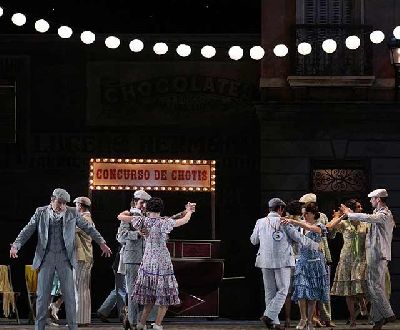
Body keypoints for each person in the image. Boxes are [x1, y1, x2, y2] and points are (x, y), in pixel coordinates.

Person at [9, 188, 112, 330]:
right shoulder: (41, 212)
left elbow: (89, 228)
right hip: (46, 259)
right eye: (59, 202)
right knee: (42, 297)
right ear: (52, 199)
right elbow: (28, 229)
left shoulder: (72, 212)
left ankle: (73, 327)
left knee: (70, 296)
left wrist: (101, 243)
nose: (62, 206)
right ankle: (39, 327)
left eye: (64, 203)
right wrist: (16, 245)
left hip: (65, 259)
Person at [119, 197, 193, 330]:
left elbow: (120, 216)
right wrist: (189, 211)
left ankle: (141, 323)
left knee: (150, 295)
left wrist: (129, 212)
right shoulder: (164, 222)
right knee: (164, 295)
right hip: (162, 261)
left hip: (148, 261)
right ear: (161, 209)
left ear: (147, 208)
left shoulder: (143, 221)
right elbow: (184, 220)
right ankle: (157, 324)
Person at [250, 198, 322, 330]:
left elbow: (253, 241)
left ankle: (274, 323)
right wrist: (315, 245)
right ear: (280, 209)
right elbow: (299, 238)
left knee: (270, 292)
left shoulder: (260, 222)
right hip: (282, 261)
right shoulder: (285, 222)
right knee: (283, 290)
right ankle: (269, 315)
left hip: (264, 261)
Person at [281, 202, 343, 330]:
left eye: (306, 213)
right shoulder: (300, 226)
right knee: (301, 291)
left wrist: (296, 222)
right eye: (302, 213)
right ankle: (303, 318)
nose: (303, 216)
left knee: (313, 293)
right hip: (303, 262)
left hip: (316, 263)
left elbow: (314, 229)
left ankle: (310, 320)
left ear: (313, 214)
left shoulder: (318, 225)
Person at [340, 188, 396, 330]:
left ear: (378, 199)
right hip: (376, 254)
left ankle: (388, 313)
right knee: (378, 287)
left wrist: (350, 214)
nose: (370, 201)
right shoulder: (379, 213)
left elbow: (368, 218)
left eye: (372, 199)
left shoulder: (384, 214)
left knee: (374, 286)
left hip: (378, 254)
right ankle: (378, 319)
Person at [299, 193, 335, 328]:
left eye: (305, 204)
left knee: (323, 287)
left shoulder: (322, 217)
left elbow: (330, 234)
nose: (303, 207)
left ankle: (326, 317)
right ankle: (312, 318)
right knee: (308, 288)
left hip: (322, 255)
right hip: (306, 257)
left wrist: (333, 224)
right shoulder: (302, 217)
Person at [330, 199, 368, 328]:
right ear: (352, 210)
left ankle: (362, 302)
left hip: (361, 258)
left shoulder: (364, 223)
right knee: (348, 291)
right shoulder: (345, 224)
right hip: (346, 258)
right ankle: (352, 318)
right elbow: (330, 226)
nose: (361, 208)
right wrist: (341, 215)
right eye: (358, 207)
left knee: (360, 284)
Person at [117, 189, 152, 330]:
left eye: (145, 203)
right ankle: (132, 322)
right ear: (135, 202)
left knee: (145, 292)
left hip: (147, 259)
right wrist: (136, 234)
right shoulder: (128, 215)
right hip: (131, 258)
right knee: (133, 292)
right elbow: (120, 237)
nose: (144, 206)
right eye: (141, 203)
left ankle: (139, 320)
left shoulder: (148, 217)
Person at [73, 196, 94, 326]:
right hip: (85, 257)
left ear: (80, 206)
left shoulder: (84, 219)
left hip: (82, 257)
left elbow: (69, 229)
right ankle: (83, 319)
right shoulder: (87, 219)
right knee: (83, 288)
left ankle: (79, 320)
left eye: (75, 205)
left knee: (79, 288)